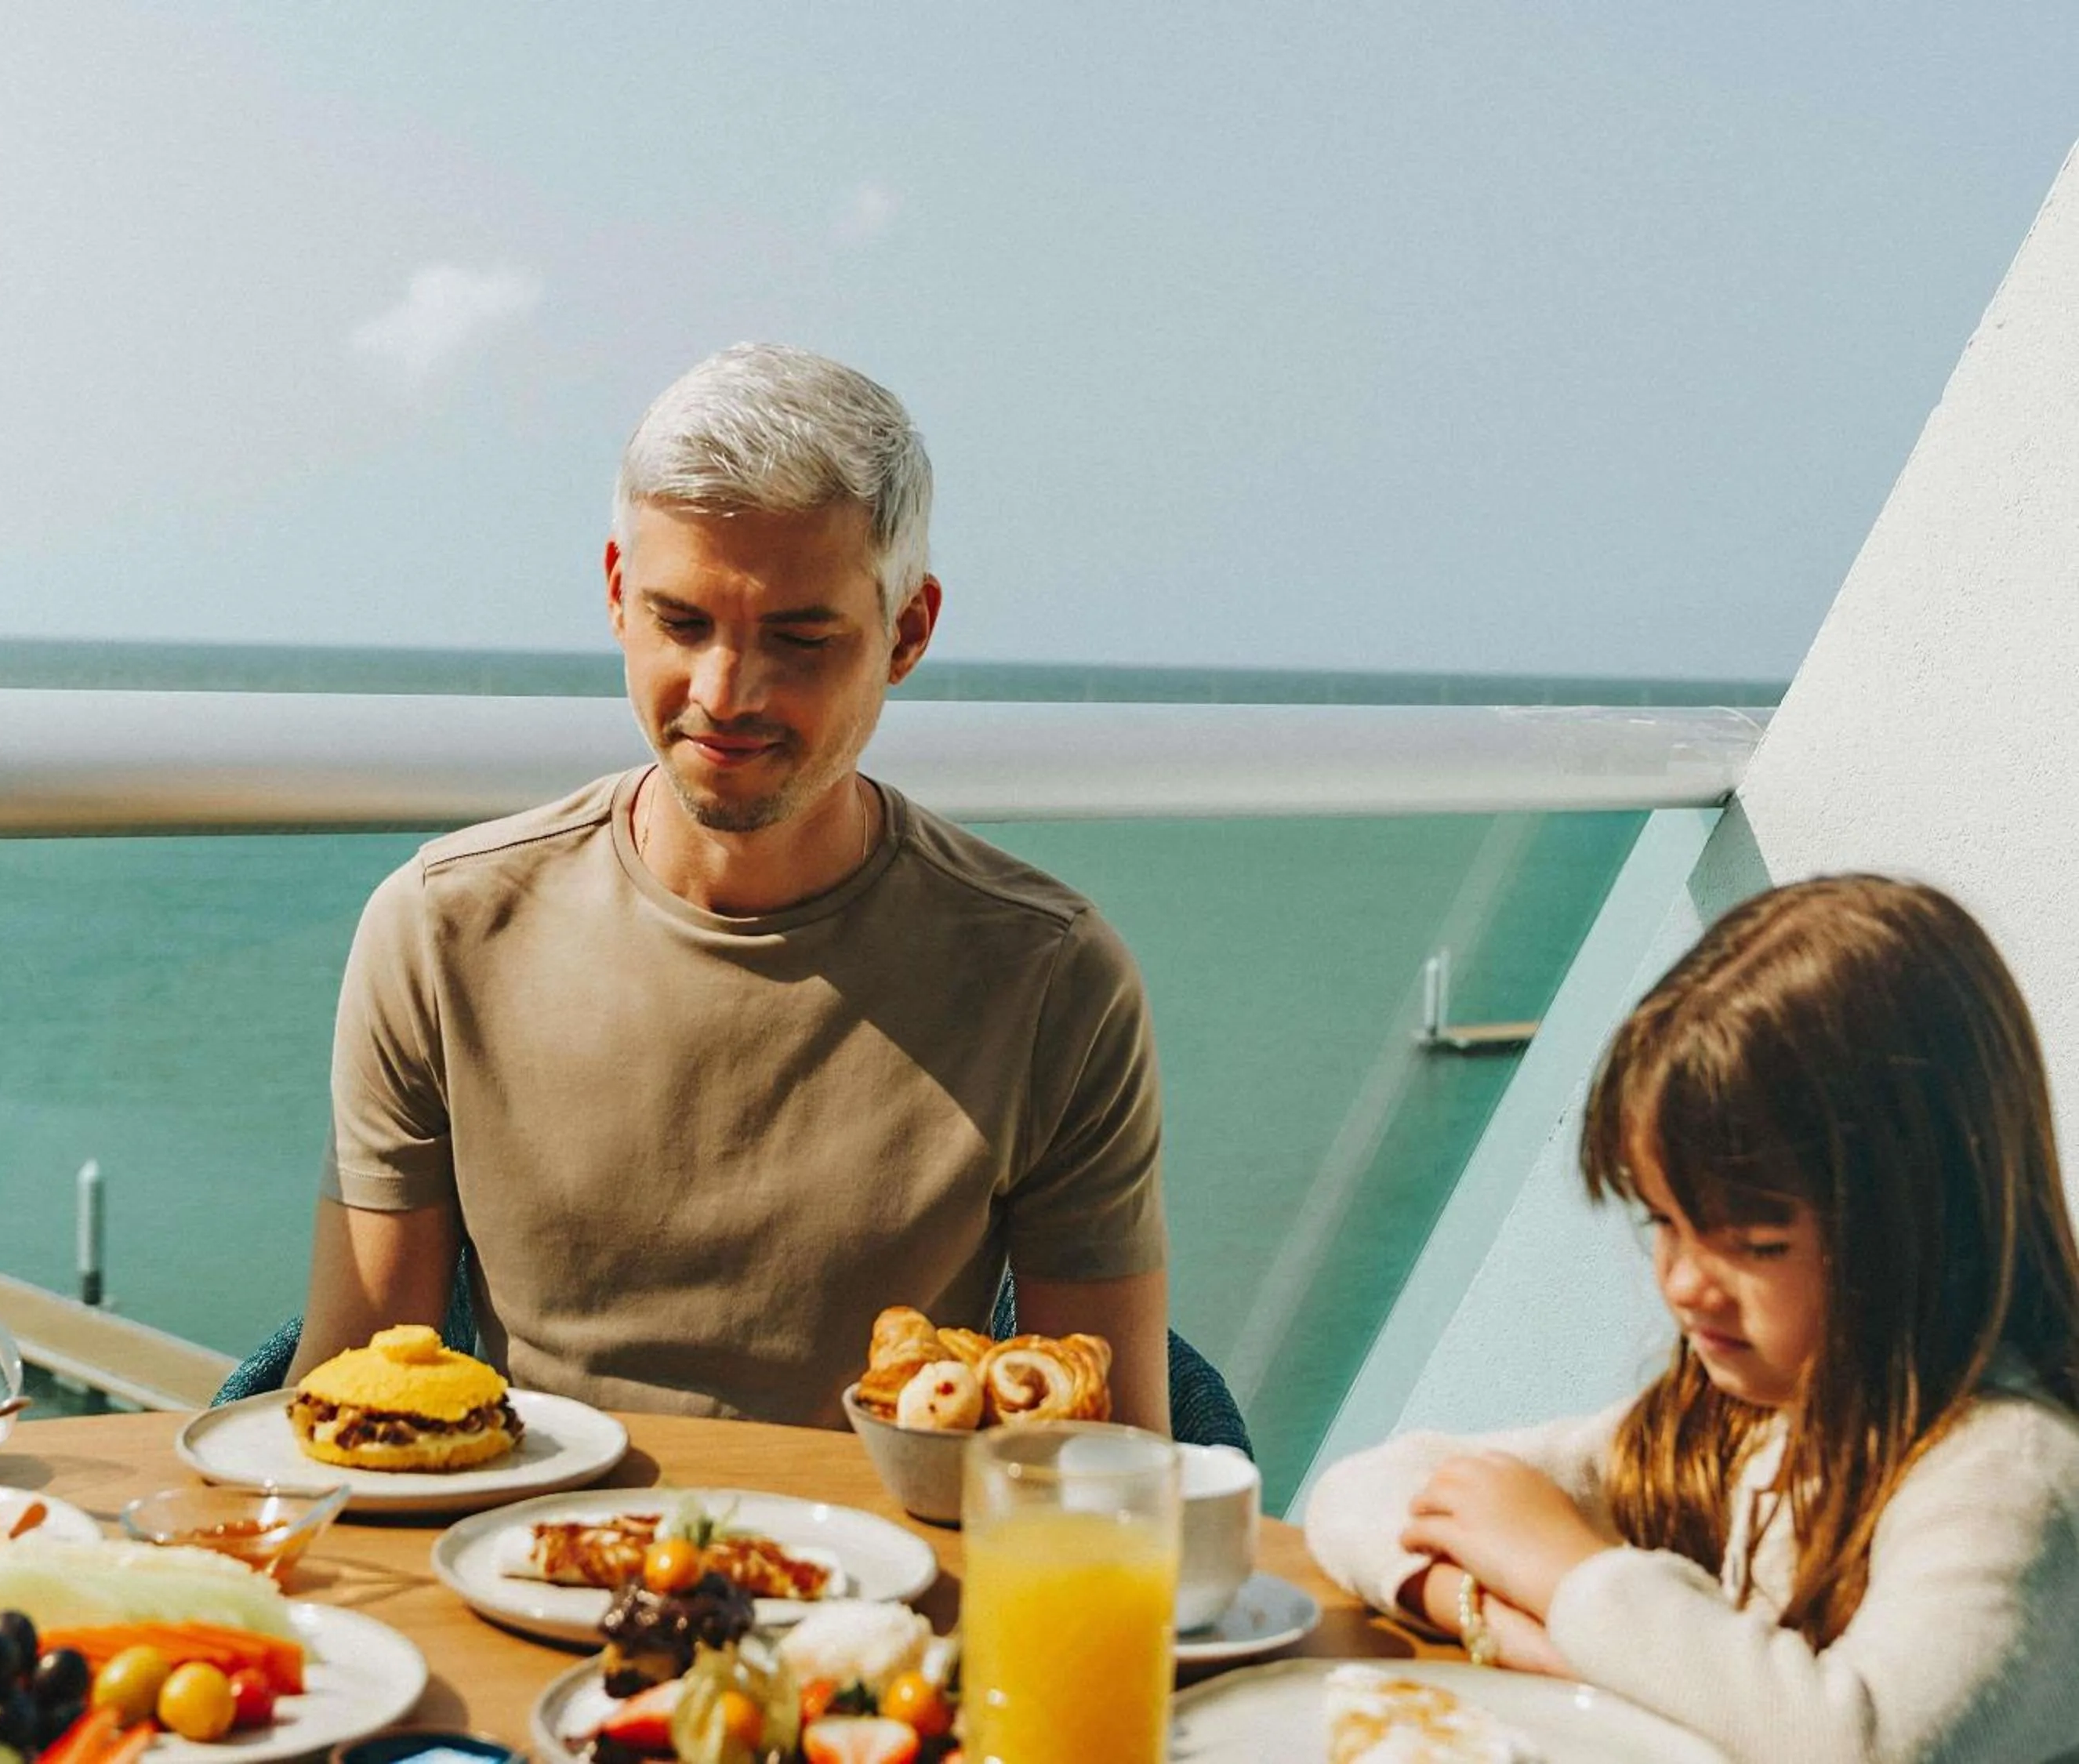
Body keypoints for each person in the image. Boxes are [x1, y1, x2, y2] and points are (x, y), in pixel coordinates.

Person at [287, 343, 1170, 1432]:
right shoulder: (441, 932)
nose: (727, 692)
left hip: (884, 1551)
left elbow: (1111, 1458)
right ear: (618, 595)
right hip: (524, 1537)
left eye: (800, 639)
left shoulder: (1050, 979)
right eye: (682, 623)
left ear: (908, 632)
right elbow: (345, 1407)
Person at [1306, 876, 2079, 1763]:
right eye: (1664, 1223)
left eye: (1753, 1244)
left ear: (1925, 1222)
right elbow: (1360, 1494)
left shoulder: (2013, 1473)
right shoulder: (1732, 1422)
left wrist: (1568, 1573)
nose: (1684, 1285)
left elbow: (1866, 1742)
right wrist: (1505, 1623)